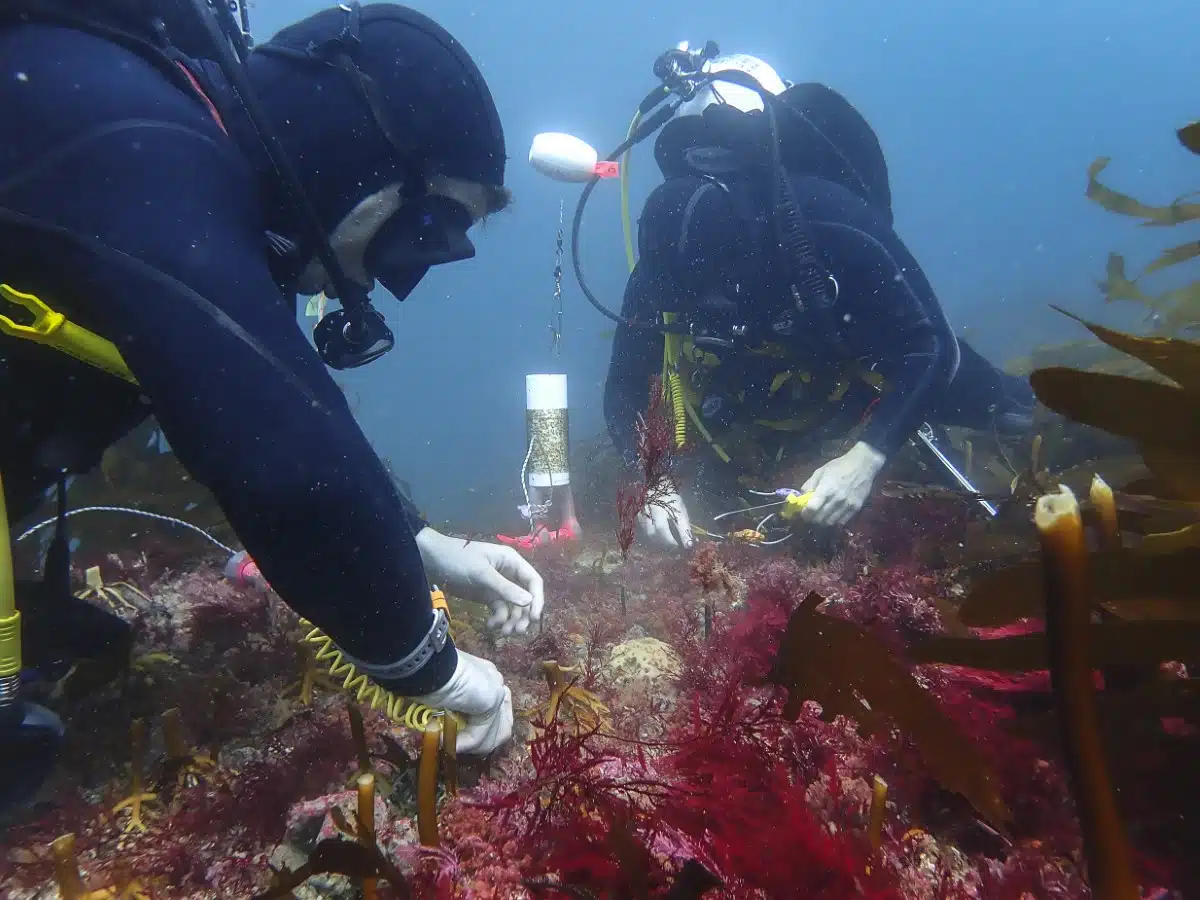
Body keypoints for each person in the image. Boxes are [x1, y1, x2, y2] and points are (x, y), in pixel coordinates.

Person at [0, 1, 540, 758]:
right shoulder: (143, 144)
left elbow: (264, 405)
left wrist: (419, 539)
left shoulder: (181, 165)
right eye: (424, 232)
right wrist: (436, 672)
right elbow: (280, 459)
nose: (399, 277)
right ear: (356, 155)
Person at [603, 52, 1035, 551]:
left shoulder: (822, 214)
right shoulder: (669, 246)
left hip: (864, 366)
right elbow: (624, 386)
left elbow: (933, 347)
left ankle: (1052, 418)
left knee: (1013, 414)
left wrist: (866, 459)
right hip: (755, 405)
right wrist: (654, 482)